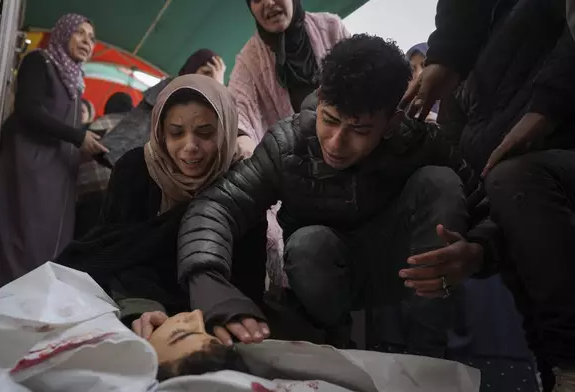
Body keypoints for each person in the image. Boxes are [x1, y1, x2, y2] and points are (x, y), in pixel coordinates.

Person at [175, 35, 488, 354]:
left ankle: (428, 354)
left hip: (402, 275)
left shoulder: (424, 143)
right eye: (330, 120)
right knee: (310, 244)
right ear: (320, 99)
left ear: (392, 121)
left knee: (441, 182)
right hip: (322, 282)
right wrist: (209, 283)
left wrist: (478, 253)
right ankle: (336, 344)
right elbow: (217, 206)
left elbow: (487, 212)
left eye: (360, 130)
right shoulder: (287, 144)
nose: (336, 143)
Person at [401, 0, 575, 389]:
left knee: (515, 180)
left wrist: (549, 105)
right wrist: (478, 249)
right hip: (517, 202)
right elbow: (486, 193)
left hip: (546, 164)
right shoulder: (463, 82)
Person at [56, 74, 270, 350]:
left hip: (212, 312)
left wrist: (222, 314)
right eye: (176, 132)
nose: (190, 147)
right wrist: (143, 306)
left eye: (205, 133)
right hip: (131, 298)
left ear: (227, 130)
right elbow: (117, 250)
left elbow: (247, 277)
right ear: (160, 131)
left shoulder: (240, 185)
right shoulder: (135, 170)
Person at [0, 13, 106, 298]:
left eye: (92, 38)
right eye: (80, 34)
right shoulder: (41, 61)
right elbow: (28, 109)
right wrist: (77, 136)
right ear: (62, 33)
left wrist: (90, 143)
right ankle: (2, 305)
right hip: (29, 168)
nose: (87, 41)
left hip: (57, 176)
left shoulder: (76, 81)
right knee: (20, 239)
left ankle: (32, 310)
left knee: (49, 244)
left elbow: (65, 128)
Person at [231, 0, 349, 290]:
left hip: (353, 162)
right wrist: (243, 139)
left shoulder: (331, 28)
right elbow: (238, 108)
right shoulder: (250, 58)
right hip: (299, 181)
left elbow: (367, 81)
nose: (269, 3)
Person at [99, 49, 227, 167]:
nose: (209, 81)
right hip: (109, 160)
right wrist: (217, 89)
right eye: (206, 73)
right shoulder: (171, 87)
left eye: (214, 77)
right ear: (191, 71)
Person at [75, 92, 135, 238]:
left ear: (106, 109)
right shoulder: (138, 131)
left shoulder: (88, 131)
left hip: (89, 204)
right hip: (127, 206)